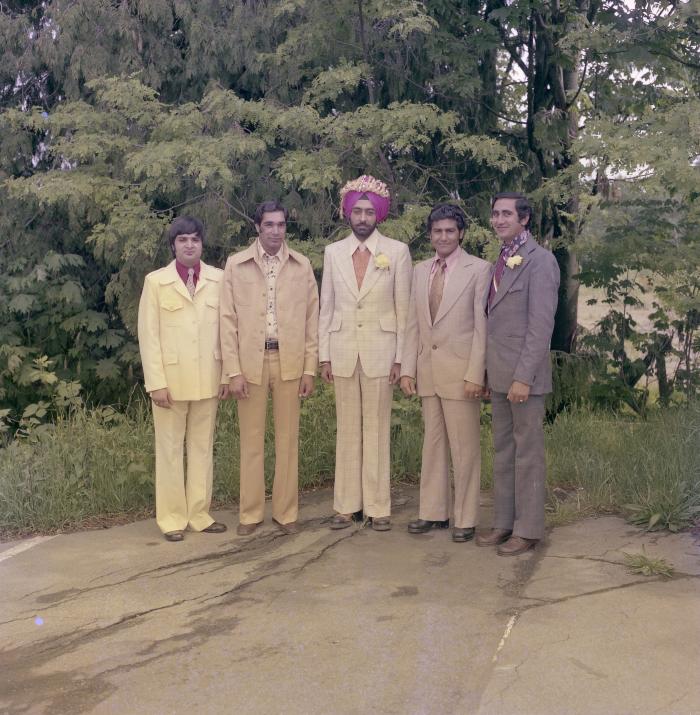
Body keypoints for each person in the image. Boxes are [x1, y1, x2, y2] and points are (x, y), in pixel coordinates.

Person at [220, 201, 319, 536]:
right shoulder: (237, 265)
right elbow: (227, 321)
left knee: (288, 440)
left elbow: (312, 321)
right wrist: (233, 371)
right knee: (251, 441)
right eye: (269, 225)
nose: (276, 231)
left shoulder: (301, 266)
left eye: (281, 224)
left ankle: (286, 513)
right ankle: (249, 514)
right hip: (250, 364)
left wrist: (310, 369)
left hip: (289, 361)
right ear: (257, 228)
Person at [319, 175, 412, 531]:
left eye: (368, 212)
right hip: (342, 351)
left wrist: (401, 358)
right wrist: (324, 355)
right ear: (347, 213)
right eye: (356, 210)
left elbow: (404, 310)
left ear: (379, 215)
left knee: (376, 430)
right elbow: (327, 306)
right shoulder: (333, 252)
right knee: (347, 430)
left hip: (381, 351)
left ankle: (377, 507)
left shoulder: (397, 252)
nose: (362, 217)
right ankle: (346, 505)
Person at [400, 204, 491, 542]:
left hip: (461, 372)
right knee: (433, 444)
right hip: (428, 371)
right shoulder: (421, 270)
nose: (443, 237)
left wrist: (475, 374)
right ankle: (434, 512)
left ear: (461, 233)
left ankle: (466, 518)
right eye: (437, 231)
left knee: (464, 448)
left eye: (450, 231)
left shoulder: (479, 270)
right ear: (430, 235)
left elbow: (482, 327)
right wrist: (408, 368)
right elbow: (413, 323)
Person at [476, 192, 560, 556]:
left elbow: (541, 327)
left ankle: (528, 530)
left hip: (524, 377)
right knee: (502, 450)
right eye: (495, 214)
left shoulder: (541, 262)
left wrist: (523, 376)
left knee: (528, 453)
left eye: (506, 214)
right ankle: (504, 523)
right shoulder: (499, 258)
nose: (498, 220)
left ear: (524, 219)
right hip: (498, 375)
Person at [138, 216, 229, 542]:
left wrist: (227, 374)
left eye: (194, 239)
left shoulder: (219, 279)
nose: (189, 245)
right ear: (173, 245)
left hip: (208, 377)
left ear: (202, 244)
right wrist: (156, 383)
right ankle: (173, 519)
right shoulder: (156, 282)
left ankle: (199, 515)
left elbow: (226, 332)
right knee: (170, 451)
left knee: (203, 449)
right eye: (182, 240)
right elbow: (148, 336)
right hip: (171, 384)